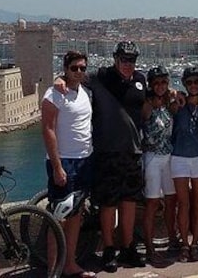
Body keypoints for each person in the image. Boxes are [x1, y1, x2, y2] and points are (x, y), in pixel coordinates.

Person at [54, 41, 147, 271]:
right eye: (124, 59)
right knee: (108, 204)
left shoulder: (140, 80)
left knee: (129, 202)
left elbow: (148, 104)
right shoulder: (101, 76)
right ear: (115, 59)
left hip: (133, 152)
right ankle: (108, 249)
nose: (128, 64)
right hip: (107, 152)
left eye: (132, 60)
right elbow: (75, 76)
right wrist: (59, 79)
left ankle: (128, 248)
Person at [41, 51, 96, 278]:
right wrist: (57, 167)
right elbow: (48, 130)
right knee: (58, 217)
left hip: (85, 160)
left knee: (76, 215)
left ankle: (70, 263)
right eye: (74, 68)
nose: (79, 72)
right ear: (66, 68)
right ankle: (53, 269)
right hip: (64, 161)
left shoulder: (85, 91)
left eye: (83, 68)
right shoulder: (54, 94)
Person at [170, 65, 198, 262]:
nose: (193, 85)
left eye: (197, 82)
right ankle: (184, 243)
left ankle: (195, 243)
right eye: (189, 82)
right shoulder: (178, 105)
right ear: (185, 84)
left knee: (197, 201)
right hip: (179, 157)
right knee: (183, 202)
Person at [140, 65, 179, 264]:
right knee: (152, 203)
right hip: (153, 158)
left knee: (172, 200)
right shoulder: (147, 104)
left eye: (164, 82)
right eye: (156, 83)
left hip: (169, 157)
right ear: (150, 85)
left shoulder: (167, 102)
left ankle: (173, 238)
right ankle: (149, 246)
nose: (160, 86)